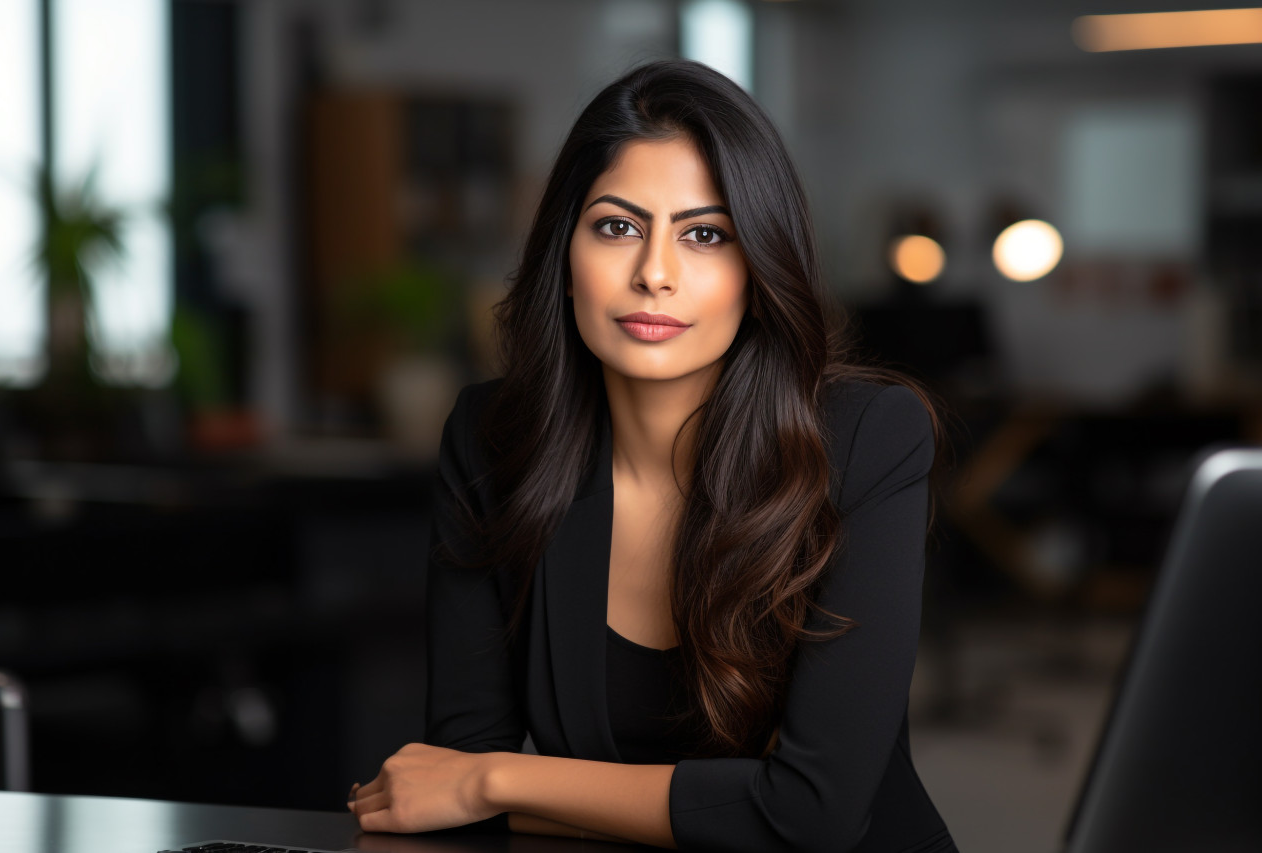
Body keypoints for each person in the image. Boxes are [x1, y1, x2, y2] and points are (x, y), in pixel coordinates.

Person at [347, 59, 958, 853]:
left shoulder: (866, 437)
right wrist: (481, 781)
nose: (654, 274)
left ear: (757, 271)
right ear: (565, 258)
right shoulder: (492, 439)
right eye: (617, 227)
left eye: (705, 235)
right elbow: (454, 775)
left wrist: (495, 781)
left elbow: (813, 813)